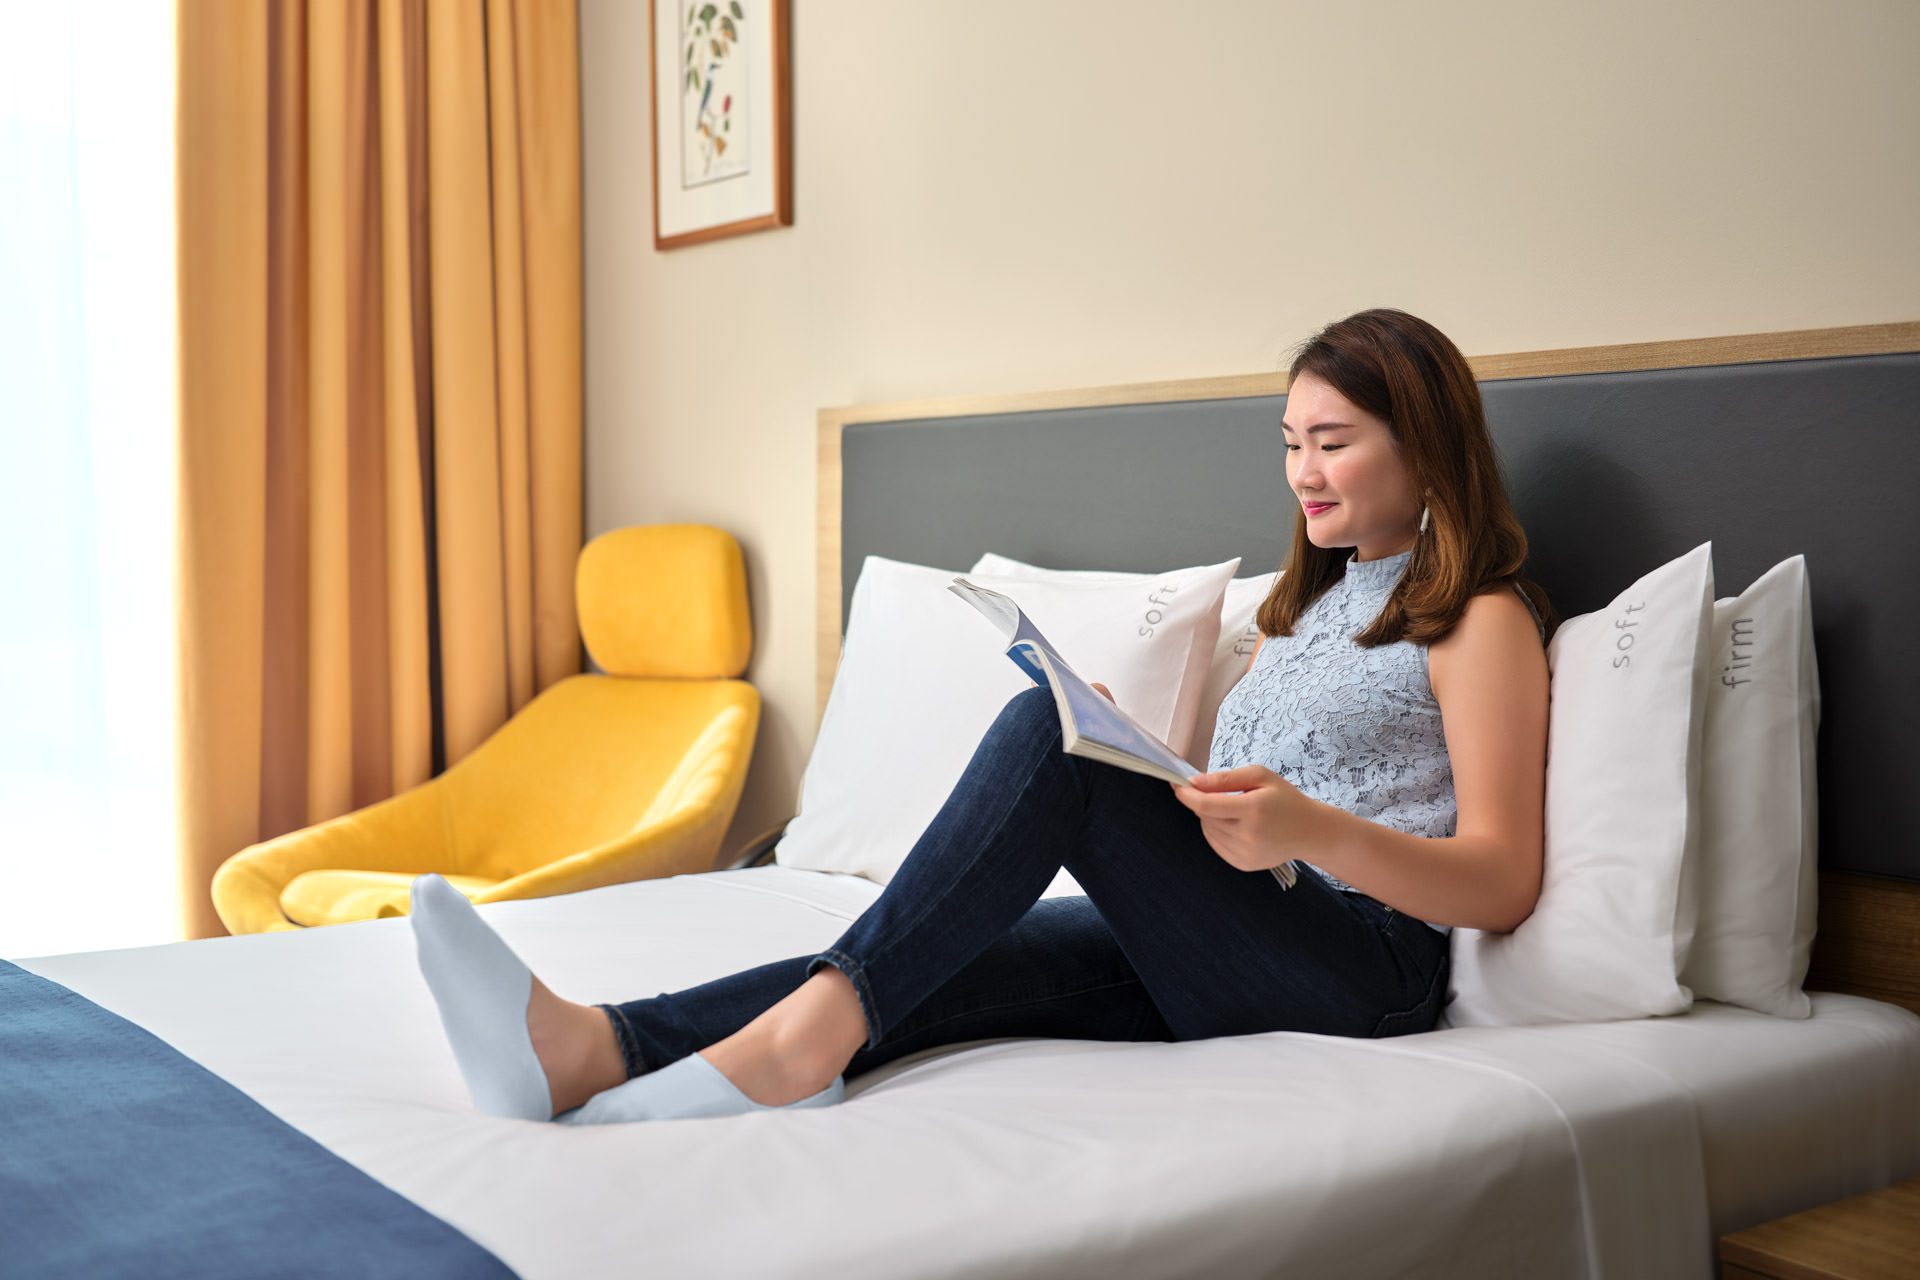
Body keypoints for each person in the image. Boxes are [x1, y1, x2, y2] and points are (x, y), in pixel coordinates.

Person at [409, 307, 1557, 1126]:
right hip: (1247, 927)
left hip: (1367, 972)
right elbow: (1257, 787)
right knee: (930, 954)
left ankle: (800, 1049)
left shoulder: (1477, 617)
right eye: (1292, 442)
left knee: (1036, 736)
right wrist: (1152, 760)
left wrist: (1311, 833)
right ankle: (595, 1047)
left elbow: (1501, 876)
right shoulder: (1298, 605)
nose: (1305, 472)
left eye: (1336, 441)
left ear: (1425, 444)